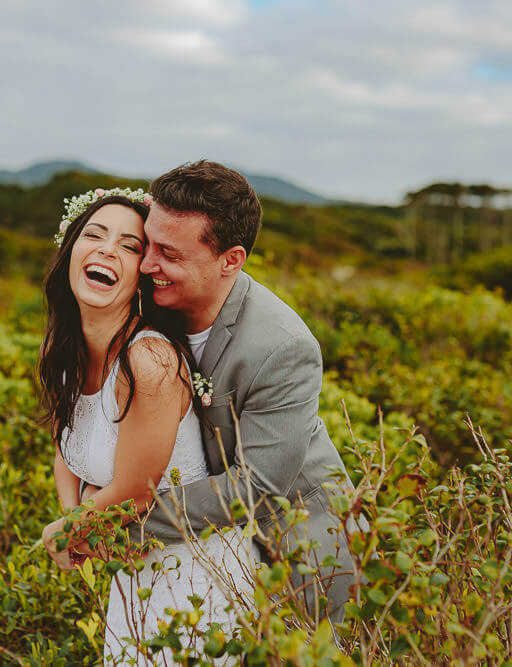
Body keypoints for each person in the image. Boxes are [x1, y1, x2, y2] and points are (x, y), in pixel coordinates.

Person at [128, 160, 364, 624]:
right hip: (198, 552)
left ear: (230, 260)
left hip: (300, 552)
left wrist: (123, 524)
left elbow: (259, 486)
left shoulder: (283, 347)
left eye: (169, 255)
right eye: (147, 243)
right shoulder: (150, 296)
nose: (146, 264)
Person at [37, 188, 259, 665]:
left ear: (142, 276)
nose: (106, 250)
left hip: (194, 573)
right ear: (71, 250)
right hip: (130, 566)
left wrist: (65, 531)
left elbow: (136, 492)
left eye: (129, 246)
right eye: (94, 235)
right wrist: (75, 518)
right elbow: (66, 452)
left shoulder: (149, 360)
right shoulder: (65, 350)